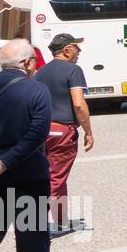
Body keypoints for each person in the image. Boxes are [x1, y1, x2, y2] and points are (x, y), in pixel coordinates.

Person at [0, 39, 68, 252]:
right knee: (32, 237)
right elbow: (37, 133)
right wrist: (7, 161)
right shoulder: (36, 89)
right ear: (28, 63)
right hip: (28, 175)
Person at [34, 33, 93, 233]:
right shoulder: (73, 70)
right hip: (62, 131)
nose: (80, 52)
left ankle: (60, 221)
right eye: (77, 47)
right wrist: (88, 131)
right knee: (56, 178)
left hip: (41, 130)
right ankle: (37, 226)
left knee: (47, 175)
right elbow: (79, 104)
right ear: (67, 50)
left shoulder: (40, 72)